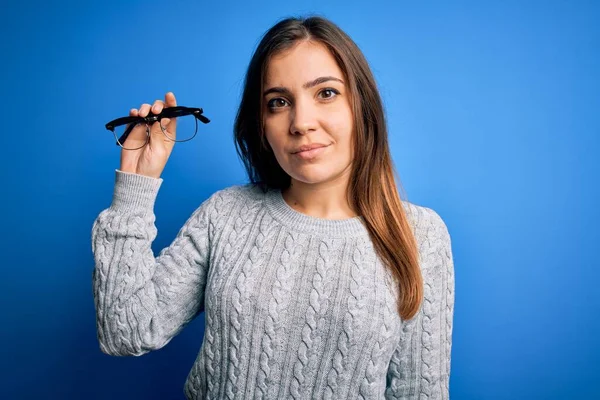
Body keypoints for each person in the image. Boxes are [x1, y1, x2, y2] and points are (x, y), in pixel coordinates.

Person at [91, 15, 455, 400]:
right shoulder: (226, 214)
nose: (301, 123)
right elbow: (123, 331)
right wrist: (136, 186)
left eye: (326, 93)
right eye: (278, 102)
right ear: (261, 124)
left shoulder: (421, 235)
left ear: (362, 106)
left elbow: (420, 392)